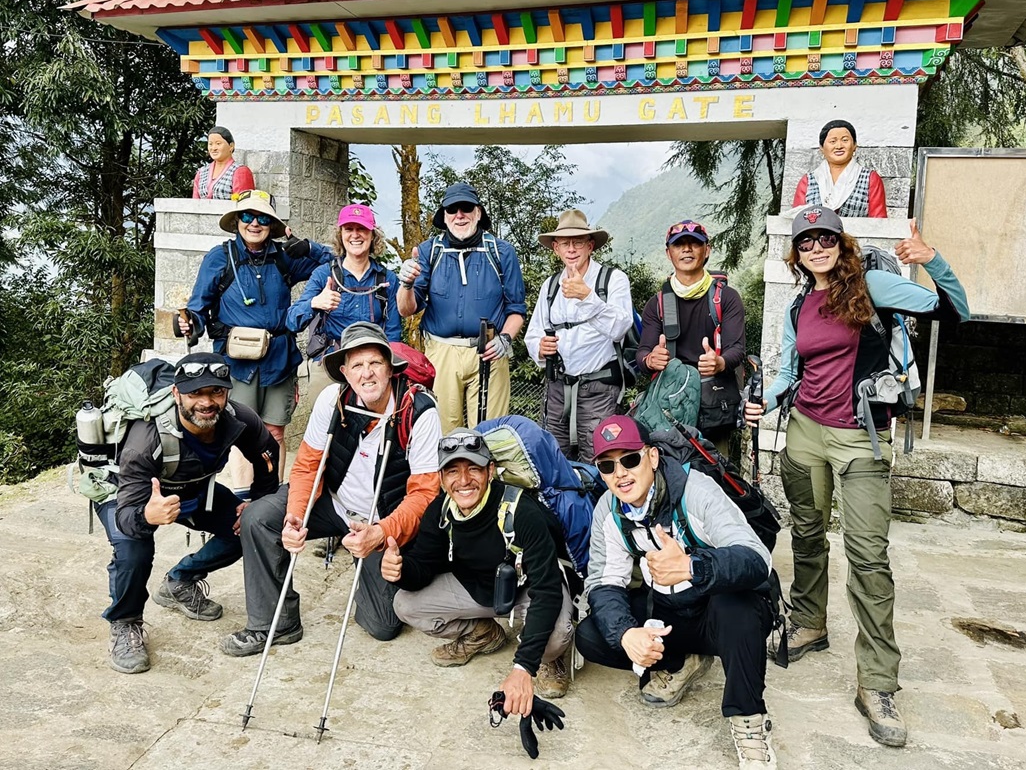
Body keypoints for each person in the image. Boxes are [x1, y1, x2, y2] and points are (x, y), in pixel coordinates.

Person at [743, 205, 969, 748]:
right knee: (807, 534)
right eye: (806, 242)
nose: (816, 248)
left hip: (859, 437)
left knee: (868, 556)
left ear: (840, 243)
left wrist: (932, 259)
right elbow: (791, 371)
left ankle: (878, 683)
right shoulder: (799, 305)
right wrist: (765, 401)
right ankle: (810, 622)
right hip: (804, 432)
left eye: (825, 238)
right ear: (796, 254)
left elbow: (954, 310)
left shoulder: (872, 286)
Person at [222, 322, 441, 654]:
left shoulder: (419, 411)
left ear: (390, 367)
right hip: (333, 502)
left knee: (382, 625)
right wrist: (295, 516)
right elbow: (308, 465)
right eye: (357, 365)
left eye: (375, 363)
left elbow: (425, 495)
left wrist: (380, 534)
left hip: (380, 519)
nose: (367, 373)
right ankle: (274, 624)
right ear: (344, 372)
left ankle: (379, 566)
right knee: (260, 517)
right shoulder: (333, 398)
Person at [577, 415, 776, 769]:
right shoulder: (609, 509)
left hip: (716, 612)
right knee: (591, 635)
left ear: (652, 457)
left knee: (739, 609)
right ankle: (681, 662)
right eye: (607, 466)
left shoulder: (695, 491)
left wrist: (692, 567)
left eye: (630, 459)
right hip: (669, 611)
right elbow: (603, 583)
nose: (620, 474)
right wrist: (625, 634)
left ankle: (748, 719)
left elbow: (757, 559)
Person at [102, 352, 280, 674]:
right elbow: (126, 516)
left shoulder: (239, 419)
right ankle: (125, 623)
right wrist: (147, 516)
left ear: (227, 392)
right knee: (134, 551)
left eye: (216, 392)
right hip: (127, 495)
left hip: (190, 486)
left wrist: (259, 501)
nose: (206, 402)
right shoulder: (145, 441)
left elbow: (267, 455)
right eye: (195, 393)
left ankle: (179, 582)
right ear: (176, 394)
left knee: (250, 526)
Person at [383, 427, 574, 705]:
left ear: (490, 471)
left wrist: (523, 667)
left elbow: (547, 590)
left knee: (557, 635)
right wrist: (400, 570)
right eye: (452, 471)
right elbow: (423, 567)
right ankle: (482, 634)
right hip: (477, 589)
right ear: (441, 478)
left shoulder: (522, 512)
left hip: (528, 590)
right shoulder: (440, 512)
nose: (464, 480)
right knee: (405, 604)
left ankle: (549, 659)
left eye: (474, 468)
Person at [179, 189, 332, 467]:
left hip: (279, 359)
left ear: (271, 225)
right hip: (236, 360)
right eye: (247, 216)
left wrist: (309, 248)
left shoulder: (284, 256)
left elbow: (338, 264)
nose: (254, 223)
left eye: (262, 218)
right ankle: (243, 494)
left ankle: (272, 491)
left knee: (275, 432)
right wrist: (188, 322)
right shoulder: (219, 257)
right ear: (237, 221)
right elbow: (198, 308)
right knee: (239, 434)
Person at [397, 182, 526, 431]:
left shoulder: (501, 252)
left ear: (478, 212)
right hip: (441, 352)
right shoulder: (428, 251)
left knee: (490, 432)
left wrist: (505, 339)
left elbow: (516, 309)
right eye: (452, 209)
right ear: (444, 216)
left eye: (466, 208)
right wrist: (406, 283)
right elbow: (406, 310)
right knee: (443, 431)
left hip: (490, 350)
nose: (459, 215)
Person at [524, 209, 634, 461]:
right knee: (554, 458)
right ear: (556, 248)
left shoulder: (613, 279)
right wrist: (540, 347)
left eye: (578, 242)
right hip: (557, 388)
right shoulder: (550, 285)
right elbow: (533, 333)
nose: (572, 249)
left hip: (599, 388)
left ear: (590, 245)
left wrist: (587, 297)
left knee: (600, 457)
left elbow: (620, 327)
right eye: (565, 243)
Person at [635, 219, 746, 454]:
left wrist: (719, 362)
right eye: (678, 244)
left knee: (714, 468)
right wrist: (651, 360)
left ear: (707, 250)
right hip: (670, 405)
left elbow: (737, 349)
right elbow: (642, 353)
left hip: (713, 404)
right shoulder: (658, 304)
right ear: (669, 253)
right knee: (669, 467)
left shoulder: (726, 298)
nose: (687, 249)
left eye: (694, 243)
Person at [287, 203, 403, 408]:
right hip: (330, 364)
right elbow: (292, 321)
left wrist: (389, 368)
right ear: (340, 235)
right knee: (325, 425)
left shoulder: (387, 279)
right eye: (349, 229)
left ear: (373, 235)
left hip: (372, 369)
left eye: (362, 229)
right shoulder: (324, 274)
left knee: (372, 424)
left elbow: (393, 332)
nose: (355, 235)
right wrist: (315, 303)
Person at [791, 120, 888, 218]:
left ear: (854, 145)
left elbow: (879, 221)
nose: (839, 146)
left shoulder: (870, 179)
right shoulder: (808, 181)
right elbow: (797, 219)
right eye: (833, 141)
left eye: (845, 140)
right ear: (821, 148)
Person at [192, 126, 255, 200]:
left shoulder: (240, 171)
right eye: (210, 144)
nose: (214, 148)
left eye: (218, 144)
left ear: (231, 146)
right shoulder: (201, 173)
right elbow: (195, 202)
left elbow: (245, 203)